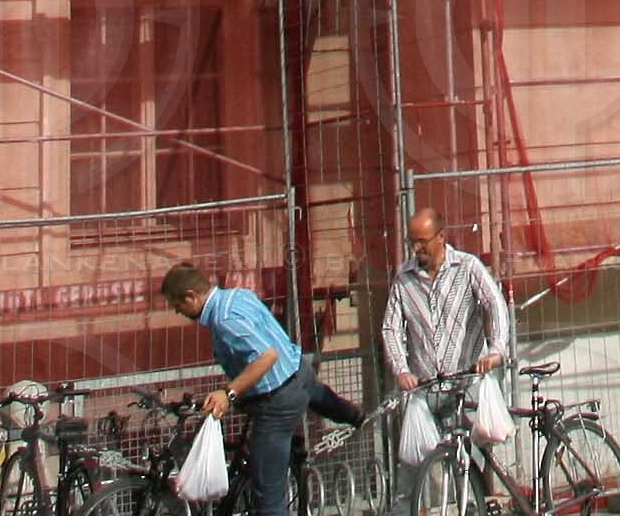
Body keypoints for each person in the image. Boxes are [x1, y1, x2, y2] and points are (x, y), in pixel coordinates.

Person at [155, 262, 361, 516]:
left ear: (191, 297)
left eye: (178, 306)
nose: (178, 312)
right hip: (298, 370)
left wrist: (228, 393)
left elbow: (266, 356)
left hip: (278, 400)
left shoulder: (224, 320)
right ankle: (352, 414)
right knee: (313, 393)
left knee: (267, 496)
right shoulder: (235, 296)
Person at [378, 210, 513, 516]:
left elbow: (495, 304)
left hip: (465, 383)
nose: (417, 250)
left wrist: (496, 349)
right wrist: (401, 369)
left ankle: (480, 501)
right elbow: (390, 328)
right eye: (412, 243)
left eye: (422, 242)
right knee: (412, 470)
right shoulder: (404, 279)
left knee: (470, 461)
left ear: (441, 237)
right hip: (426, 388)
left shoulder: (467, 268)